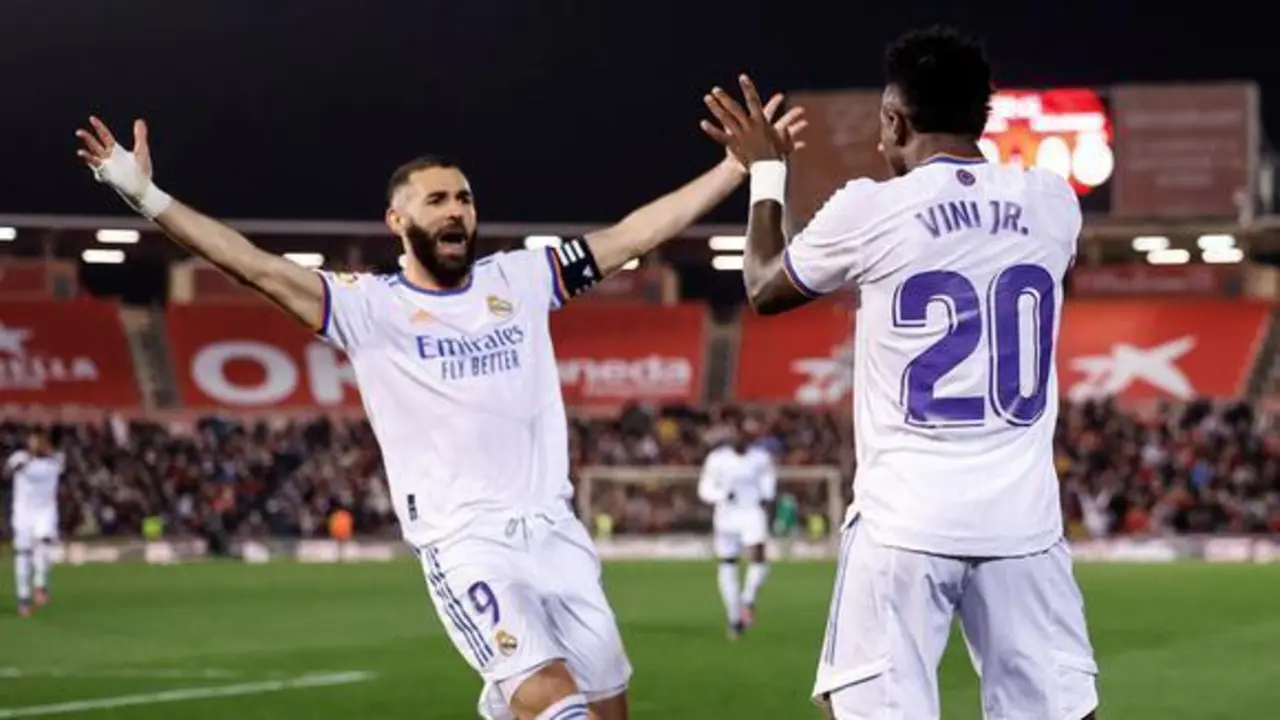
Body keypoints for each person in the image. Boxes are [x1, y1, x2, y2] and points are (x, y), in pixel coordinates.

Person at [75, 103, 805, 720]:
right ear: (397, 220)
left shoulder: (522, 278)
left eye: (464, 198)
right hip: (467, 544)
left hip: (557, 533)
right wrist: (147, 197)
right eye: (438, 200)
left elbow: (632, 235)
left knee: (608, 707)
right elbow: (252, 263)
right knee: (557, 706)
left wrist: (736, 171)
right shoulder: (368, 307)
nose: (457, 210)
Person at [699, 26, 1098, 720]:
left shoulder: (870, 207)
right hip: (1023, 523)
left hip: (904, 519)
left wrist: (767, 171)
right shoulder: (1053, 202)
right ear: (982, 115)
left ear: (894, 119)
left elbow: (764, 285)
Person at [696, 420, 777, 639]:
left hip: (752, 511)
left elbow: (768, 479)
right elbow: (704, 488)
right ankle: (734, 618)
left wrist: (767, 496)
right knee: (727, 563)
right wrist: (721, 496)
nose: (743, 440)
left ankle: (748, 599)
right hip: (726, 515)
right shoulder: (717, 459)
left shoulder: (760, 458)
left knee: (759, 555)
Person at [5, 432, 64, 617]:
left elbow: (55, 467)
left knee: (44, 546)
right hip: (23, 514)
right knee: (23, 555)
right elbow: (9, 470)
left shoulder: (56, 459)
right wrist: (25, 460)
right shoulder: (19, 458)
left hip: (45, 512)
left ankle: (40, 585)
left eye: (41, 441)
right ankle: (23, 598)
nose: (38, 444)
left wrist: (34, 458)